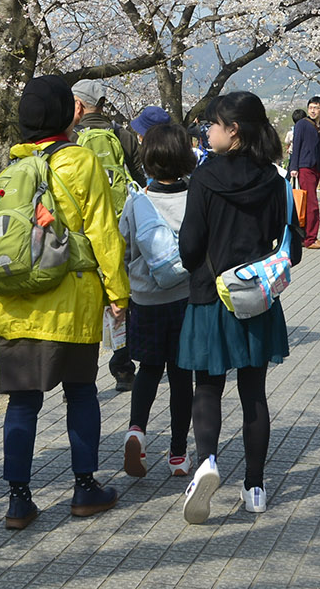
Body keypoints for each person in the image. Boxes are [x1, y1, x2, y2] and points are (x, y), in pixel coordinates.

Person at [0, 75, 129, 530]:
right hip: (71, 302)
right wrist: (118, 294)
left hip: (16, 307)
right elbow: (103, 234)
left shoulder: (9, 169)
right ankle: (85, 488)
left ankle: (18, 501)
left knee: (21, 404)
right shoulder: (82, 161)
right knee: (81, 393)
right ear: (62, 114)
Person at [178, 91, 299, 522]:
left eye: (213, 123)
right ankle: (255, 487)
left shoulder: (205, 178)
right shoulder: (274, 179)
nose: (207, 130)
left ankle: (207, 462)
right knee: (254, 394)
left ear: (234, 130)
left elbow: (190, 247)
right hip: (255, 299)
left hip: (211, 297)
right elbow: (293, 249)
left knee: (207, 388)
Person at [117, 123, 198, 480]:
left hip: (145, 300)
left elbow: (125, 246)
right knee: (181, 375)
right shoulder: (195, 196)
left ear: (147, 158)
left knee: (149, 369)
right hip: (184, 297)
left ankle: (137, 430)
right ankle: (178, 455)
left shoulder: (137, 201)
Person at [72, 79, 141, 393]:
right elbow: (143, 177)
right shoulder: (121, 135)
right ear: (101, 103)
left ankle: (78, 372)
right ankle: (123, 367)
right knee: (119, 299)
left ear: (78, 104)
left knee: (86, 298)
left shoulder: (71, 140)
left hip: (82, 233)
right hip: (120, 231)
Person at [288, 97, 320, 250]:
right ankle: (311, 238)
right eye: (310, 107)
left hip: (316, 168)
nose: (312, 110)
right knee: (312, 205)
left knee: (307, 204)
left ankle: (304, 237)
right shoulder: (302, 124)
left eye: (316, 108)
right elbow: (296, 145)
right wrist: (294, 167)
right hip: (304, 167)